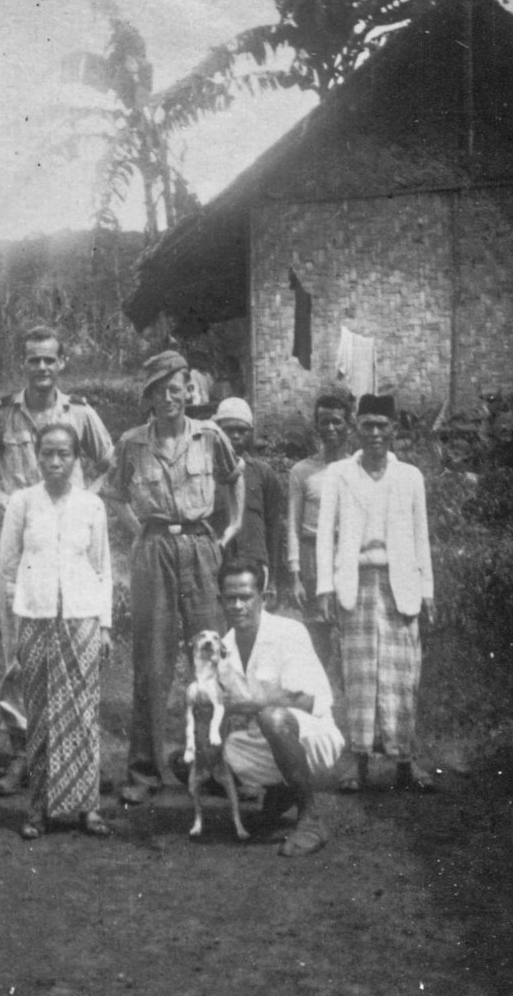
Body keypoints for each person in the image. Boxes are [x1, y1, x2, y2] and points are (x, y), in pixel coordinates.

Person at [0, 324, 114, 797]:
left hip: (68, 548)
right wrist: (2, 500)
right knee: (19, 658)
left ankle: (72, 756)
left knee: (72, 653)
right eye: (34, 359)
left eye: (50, 359)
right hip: (24, 548)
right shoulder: (1, 414)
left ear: (62, 362)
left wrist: (85, 500)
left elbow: (110, 464)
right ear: (23, 363)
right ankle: (23, 753)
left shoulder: (81, 413)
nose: (42, 367)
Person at [104, 350, 245, 804]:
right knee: (152, 662)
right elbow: (114, 493)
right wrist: (139, 532)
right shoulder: (131, 443)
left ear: (188, 391)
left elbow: (234, 476)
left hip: (201, 548)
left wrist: (232, 527)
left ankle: (215, 765)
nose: (169, 398)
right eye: (158, 391)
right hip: (155, 550)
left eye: (176, 388)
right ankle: (144, 772)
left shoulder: (210, 435)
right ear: (148, 397)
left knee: (211, 658)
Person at [316, 393, 435, 793]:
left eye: (382, 426)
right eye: (367, 425)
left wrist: (427, 589)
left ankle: (405, 760)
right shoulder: (338, 474)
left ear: (394, 430)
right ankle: (358, 761)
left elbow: (421, 536)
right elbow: (325, 536)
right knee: (360, 674)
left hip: (401, 584)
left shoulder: (410, 477)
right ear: (356, 428)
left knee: (403, 675)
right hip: (356, 582)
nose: (374, 433)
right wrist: (325, 586)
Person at [0, 423, 113, 839]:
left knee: (82, 713)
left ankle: (88, 807)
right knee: (40, 714)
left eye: (63, 453)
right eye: (47, 453)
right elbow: (7, 568)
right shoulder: (22, 502)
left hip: (82, 620)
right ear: (37, 456)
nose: (54, 461)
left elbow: (102, 568)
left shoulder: (91, 505)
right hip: (36, 619)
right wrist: (15, 623)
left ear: (76, 458)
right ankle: (38, 808)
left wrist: (104, 625)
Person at [216, 558, 344, 856]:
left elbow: (311, 701)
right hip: (263, 742)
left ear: (263, 597)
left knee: (272, 717)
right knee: (192, 760)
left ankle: (311, 819)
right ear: (220, 601)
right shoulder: (223, 648)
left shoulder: (289, 632)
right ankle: (280, 793)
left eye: (245, 597)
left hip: (311, 738)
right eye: (230, 598)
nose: (237, 606)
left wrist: (252, 704)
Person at [286, 388, 352, 660]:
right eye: (325, 422)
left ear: (348, 424)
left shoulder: (357, 469)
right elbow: (292, 525)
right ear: (317, 426)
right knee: (317, 636)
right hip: (312, 555)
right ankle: (320, 685)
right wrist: (295, 575)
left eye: (337, 421)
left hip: (347, 555)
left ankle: (346, 686)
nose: (331, 428)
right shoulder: (302, 471)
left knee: (351, 630)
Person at [211, 397, 282, 604]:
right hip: (216, 564)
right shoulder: (205, 472)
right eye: (229, 430)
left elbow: (274, 527)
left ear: (250, 433)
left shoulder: (263, 473)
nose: (235, 436)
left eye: (241, 430)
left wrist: (273, 580)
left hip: (254, 564)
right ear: (217, 430)